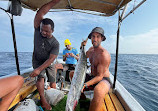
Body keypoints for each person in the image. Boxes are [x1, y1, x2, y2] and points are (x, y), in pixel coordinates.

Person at [29, 0, 60, 110]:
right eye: (42, 30)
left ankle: (54, 98)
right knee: (40, 78)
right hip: (37, 59)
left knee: (52, 80)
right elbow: (40, 13)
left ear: (52, 30)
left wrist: (39, 69)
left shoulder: (55, 43)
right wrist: (54, 2)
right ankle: (43, 101)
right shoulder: (38, 29)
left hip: (49, 61)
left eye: (47, 31)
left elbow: (51, 59)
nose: (43, 33)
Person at [81, 27, 111, 111]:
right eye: (93, 36)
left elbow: (100, 76)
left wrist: (85, 84)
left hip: (103, 79)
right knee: (72, 74)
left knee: (98, 90)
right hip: (92, 76)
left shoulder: (104, 54)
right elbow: (83, 57)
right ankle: (83, 98)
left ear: (102, 39)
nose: (95, 39)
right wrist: (82, 46)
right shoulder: (90, 50)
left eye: (98, 37)